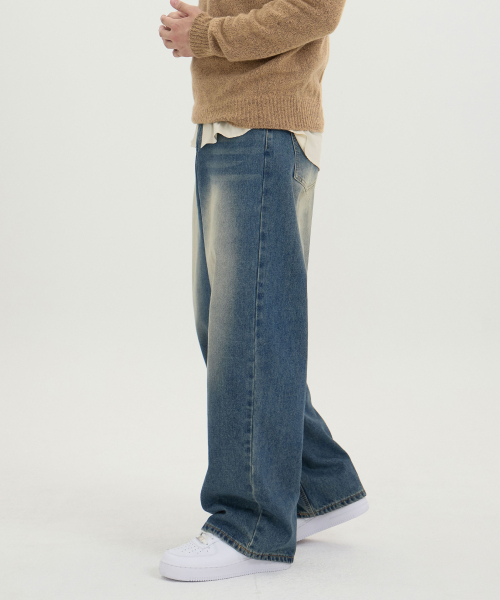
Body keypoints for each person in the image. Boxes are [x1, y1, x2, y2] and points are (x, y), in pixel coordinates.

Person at [157, 0, 368, 582]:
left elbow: (316, 9)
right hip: (230, 127)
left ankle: (252, 526)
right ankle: (317, 485)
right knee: (233, 330)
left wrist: (206, 34)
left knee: (246, 335)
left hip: (263, 131)